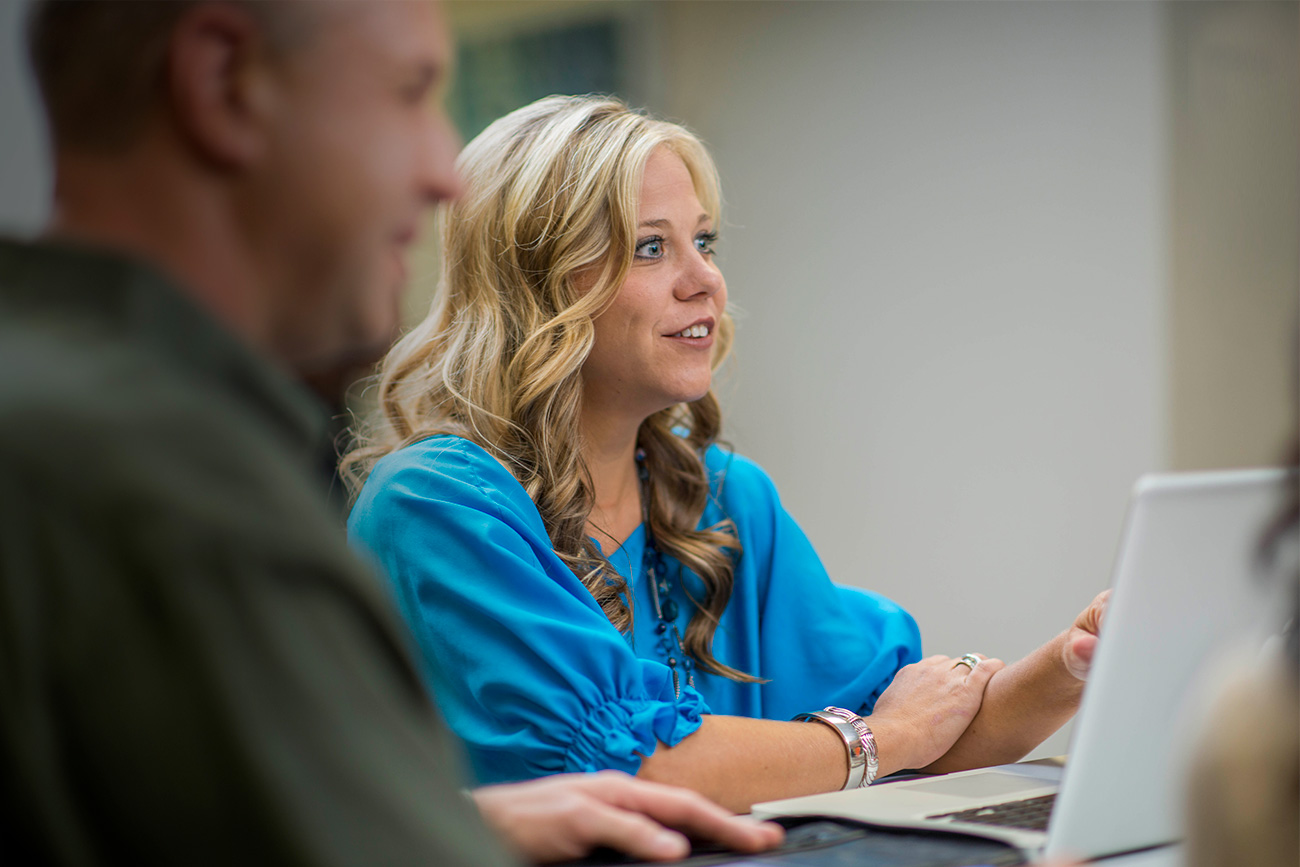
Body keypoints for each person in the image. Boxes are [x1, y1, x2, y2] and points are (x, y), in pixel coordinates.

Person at [0, 2, 783, 863]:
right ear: (221, 82)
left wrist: (468, 821)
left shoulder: (141, 433)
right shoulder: (153, 480)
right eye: (406, 95)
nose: (442, 175)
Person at [344, 95, 1110, 813]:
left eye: (702, 241)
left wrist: (1076, 660)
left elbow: (921, 734)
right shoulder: (436, 505)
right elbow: (632, 768)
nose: (705, 279)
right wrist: (888, 737)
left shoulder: (720, 497)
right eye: (651, 247)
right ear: (536, 288)